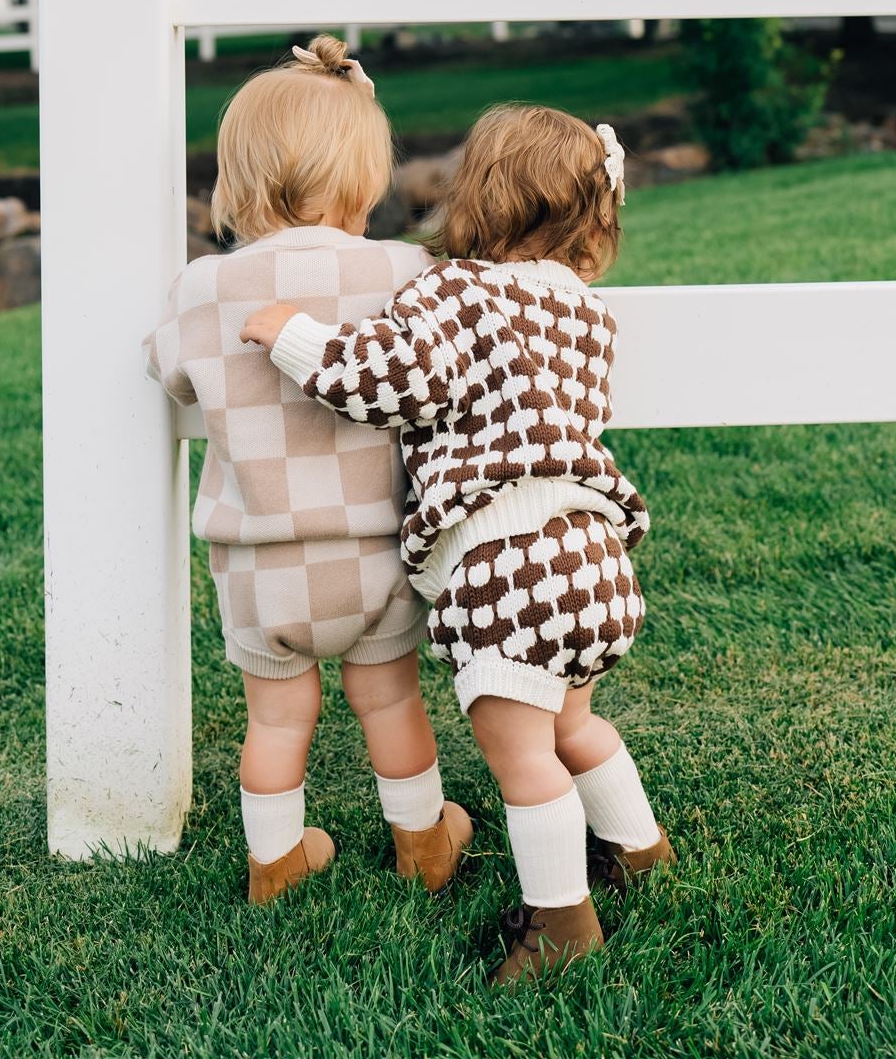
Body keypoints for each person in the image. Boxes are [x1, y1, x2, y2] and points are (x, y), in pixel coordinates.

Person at [241, 103, 671, 980]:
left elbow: (386, 381)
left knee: (524, 759)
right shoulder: (585, 311)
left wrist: (287, 334)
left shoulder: (454, 292)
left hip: (506, 565)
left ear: (475, 196)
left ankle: (560, 926)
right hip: (595, 558)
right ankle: (639, 852)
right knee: (575, 725)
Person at [145, 36, 471, 904]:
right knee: (390, 703)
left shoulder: (205, 286)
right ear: (367, 176)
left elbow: (167, 370)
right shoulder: (407, 270)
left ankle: (277, 867)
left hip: (260, 563)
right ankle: (423, 844)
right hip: (375, 554)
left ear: (237, 177)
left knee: (276, 718)